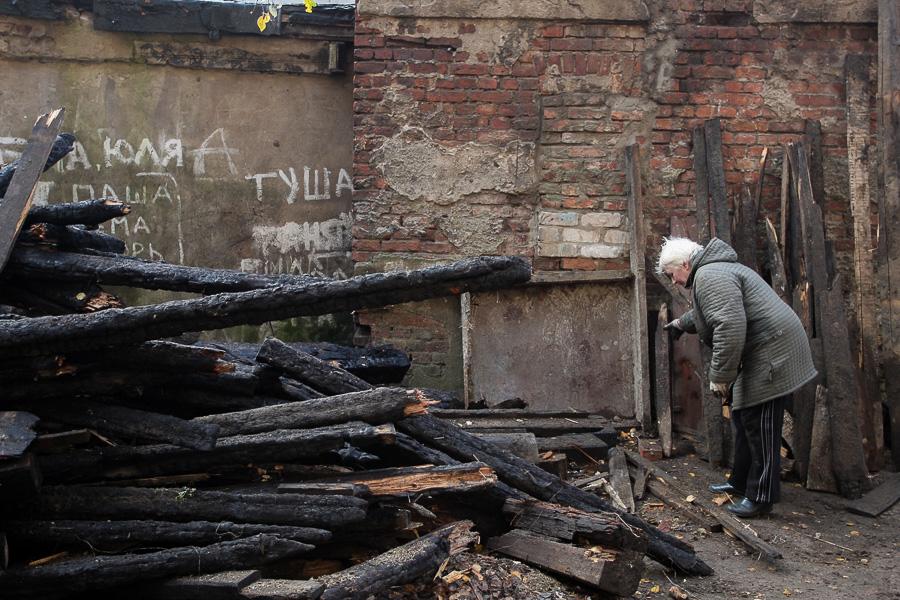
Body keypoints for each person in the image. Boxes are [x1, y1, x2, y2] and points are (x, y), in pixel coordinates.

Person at [657, 237, 817, 518]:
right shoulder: (712, 270)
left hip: (774, 351)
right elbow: (714, 310)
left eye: (672, 275)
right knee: (744, 416)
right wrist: (682, 323)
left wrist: (720, 376)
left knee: (760, 423)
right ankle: (740, 482)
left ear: (685, 264)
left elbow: (729, 325)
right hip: (767, 347)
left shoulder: (709, 274)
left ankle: (761, 497)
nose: (674, 282)